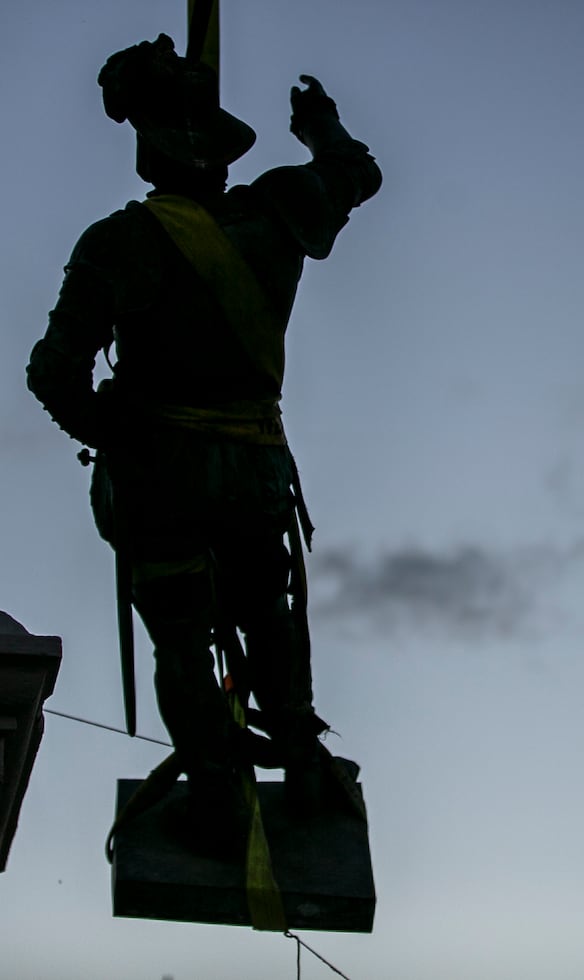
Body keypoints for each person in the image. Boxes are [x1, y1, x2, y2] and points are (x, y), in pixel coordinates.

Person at [26, 34, 381, 851]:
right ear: (222, 153)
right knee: (269, 608)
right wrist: (322, 128)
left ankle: (216, 790)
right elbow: (357, 174)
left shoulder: (116, 242)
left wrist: (119, 436)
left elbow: (54, 374)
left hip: (161, 482)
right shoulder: (282, 211)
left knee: (182, 635)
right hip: (253, 470)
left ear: (148, 153)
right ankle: (298, 750)